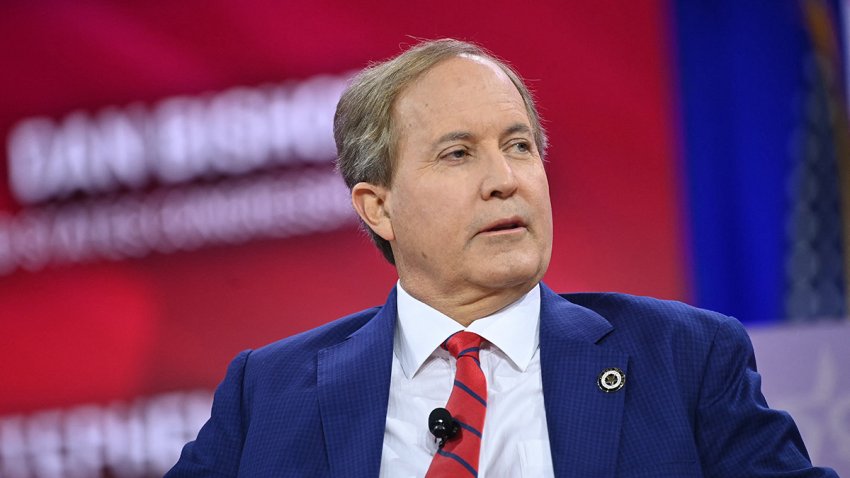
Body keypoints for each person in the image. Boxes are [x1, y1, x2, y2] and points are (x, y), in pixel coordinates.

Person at [166, 39, 838, 477]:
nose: (505, 178)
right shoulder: (269, 393)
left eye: (518, 146)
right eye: (458, 154)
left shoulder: (683, 358)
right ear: (378, 207)